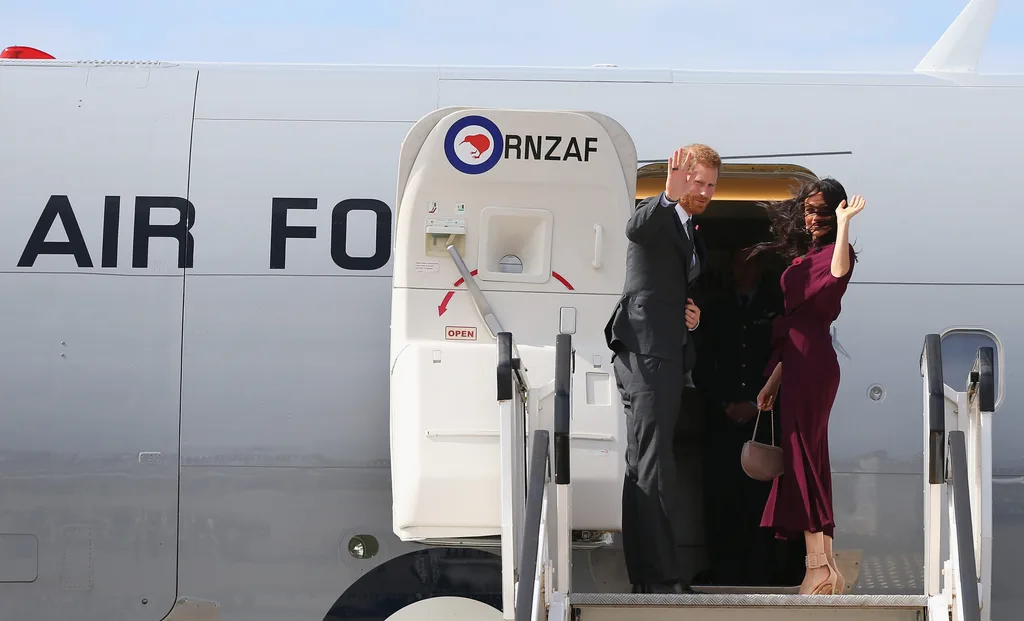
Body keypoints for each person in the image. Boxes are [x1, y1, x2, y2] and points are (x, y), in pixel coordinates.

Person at [604, 144, 719, 594]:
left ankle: (648, 576)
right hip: (647, 351)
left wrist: (692, 318)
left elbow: (671, 283)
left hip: (666, 351)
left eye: (711, 185)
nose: (704, 191)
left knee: (645, 462)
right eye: (697, 182)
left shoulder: (690, 230)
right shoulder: (658, 216)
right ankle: (662, 577)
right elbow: (635, 229)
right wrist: (667, 195)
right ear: (680, 177)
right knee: (654, 462)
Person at [751, 178, 865, 596]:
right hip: (796, 362)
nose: (813, 217)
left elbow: (837, 275)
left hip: (813, 362)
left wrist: (844, 223)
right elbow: (791, 331)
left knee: (805, 460)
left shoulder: (836, 253)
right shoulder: (806, 256)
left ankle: (817, 568)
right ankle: (826, 568)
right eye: (808, 210)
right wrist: (774, 381)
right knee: (808, 459)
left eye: (822, 211)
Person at [693, 247, 794, 586]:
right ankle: (724, 572)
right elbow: (702, 365)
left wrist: (754, 403)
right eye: (740, 263)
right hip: (721, 420)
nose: (745, 270)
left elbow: (783, 360)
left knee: (760, 499)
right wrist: (724, 403)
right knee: (721, 497)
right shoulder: (714, 309)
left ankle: (761, 572)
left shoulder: (776, 308)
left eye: (752, 264)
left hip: (762, 417)